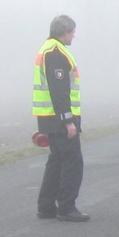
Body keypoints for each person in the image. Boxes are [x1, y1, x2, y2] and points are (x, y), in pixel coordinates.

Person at [34, 15, 89, 221]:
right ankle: (66, 207)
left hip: (50, 117)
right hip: (60, 119)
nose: (74, 35)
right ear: (64, 32)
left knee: (56, 161)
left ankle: (46, 206)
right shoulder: (56, 53)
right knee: (73, 161)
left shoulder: (48, 49)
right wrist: (68, 120)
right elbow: (59, 90)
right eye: (72, 31)